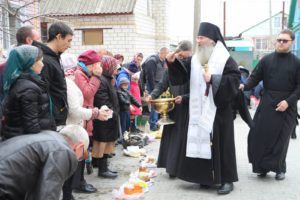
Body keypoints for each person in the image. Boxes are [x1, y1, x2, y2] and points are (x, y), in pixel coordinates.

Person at [165, 22, 240, 194]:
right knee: (202, 143)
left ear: (212, 40)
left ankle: (227, 180)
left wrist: (213, 79)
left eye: (202, 38)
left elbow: (234, 81)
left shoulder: (225, 59)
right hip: (198, 109)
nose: (198, 41)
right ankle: (204, 177)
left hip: (218, 110)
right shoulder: (196, 59)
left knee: (222, 144)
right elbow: (183, 76)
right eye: (197, 37)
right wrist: (173, 63)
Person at [240, 29, 300, 180]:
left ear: (291, 43)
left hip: (287, 105)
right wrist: (243, 86)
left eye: (284, 40)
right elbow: (254, 78)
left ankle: (279, 169)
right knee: (259, 135)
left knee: (281, 139)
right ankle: (262, 167)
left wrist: (288, 102)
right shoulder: (266, 60)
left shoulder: (297, 63)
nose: (280, 43)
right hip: (267, 102)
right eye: (279, 40)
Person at [61, 53, 109, 197]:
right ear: (93, 65)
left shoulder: (80, 74)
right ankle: (77, 184)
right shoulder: (78, 75)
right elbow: (87, 94)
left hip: (85, 118)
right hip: (78, 120)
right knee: (78, 153)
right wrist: (96, 77)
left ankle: (79, 182)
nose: (100, 67)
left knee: (82, 152)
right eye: (98, 64)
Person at [0, 125, 89, 200]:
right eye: (83, 155)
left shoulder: (48, 137)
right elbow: (48, 194)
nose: (79, 159)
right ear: (79, 147)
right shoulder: (63, 151)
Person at [145, 40, 193, 178]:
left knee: (183, 139)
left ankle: (182, 168)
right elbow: (161, 85)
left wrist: (184, 97)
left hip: (189, 109)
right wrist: (152, 96)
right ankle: (171, 167)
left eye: (184, 58)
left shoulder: (193, 68)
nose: (181, 60)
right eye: (179, 57)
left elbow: (198, 91)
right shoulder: (170, 69)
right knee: (172, 138)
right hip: (174, 108)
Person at [1, 45, 56, 140]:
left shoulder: (21, 81)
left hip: (18, 138)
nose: (43, 64)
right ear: (30, 63)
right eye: (40, 61)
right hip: (25, 141)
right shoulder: (28, 88)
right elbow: (32, 127)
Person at [33, 22, 73, 127]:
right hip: (52, 120)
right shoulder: (45, 60)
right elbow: (43, 93)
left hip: (58, 116)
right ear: (59, 37)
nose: (70, 45)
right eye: (68, 41)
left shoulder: (54, 57)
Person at [93, 56, 120, 178]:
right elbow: (102, 99)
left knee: (107, 143)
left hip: (109, 118)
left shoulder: (107, 79)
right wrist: (113, 113)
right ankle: (102, 170)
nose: (116, 70)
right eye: (114, 68)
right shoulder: (102, 80)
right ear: (108, 67)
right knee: (102, 143)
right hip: (105, 118)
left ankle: (104, 168)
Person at [142, 47, 169, 131]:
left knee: (158, 105)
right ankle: (153, 124)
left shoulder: (163, 60)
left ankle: (156, 122)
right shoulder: (152, 61)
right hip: (153, 85)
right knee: (154, 105)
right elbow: (150, 77)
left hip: (159, 84)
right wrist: (154, 90)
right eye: (167, 54)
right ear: (163, 53)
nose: (167, 56)